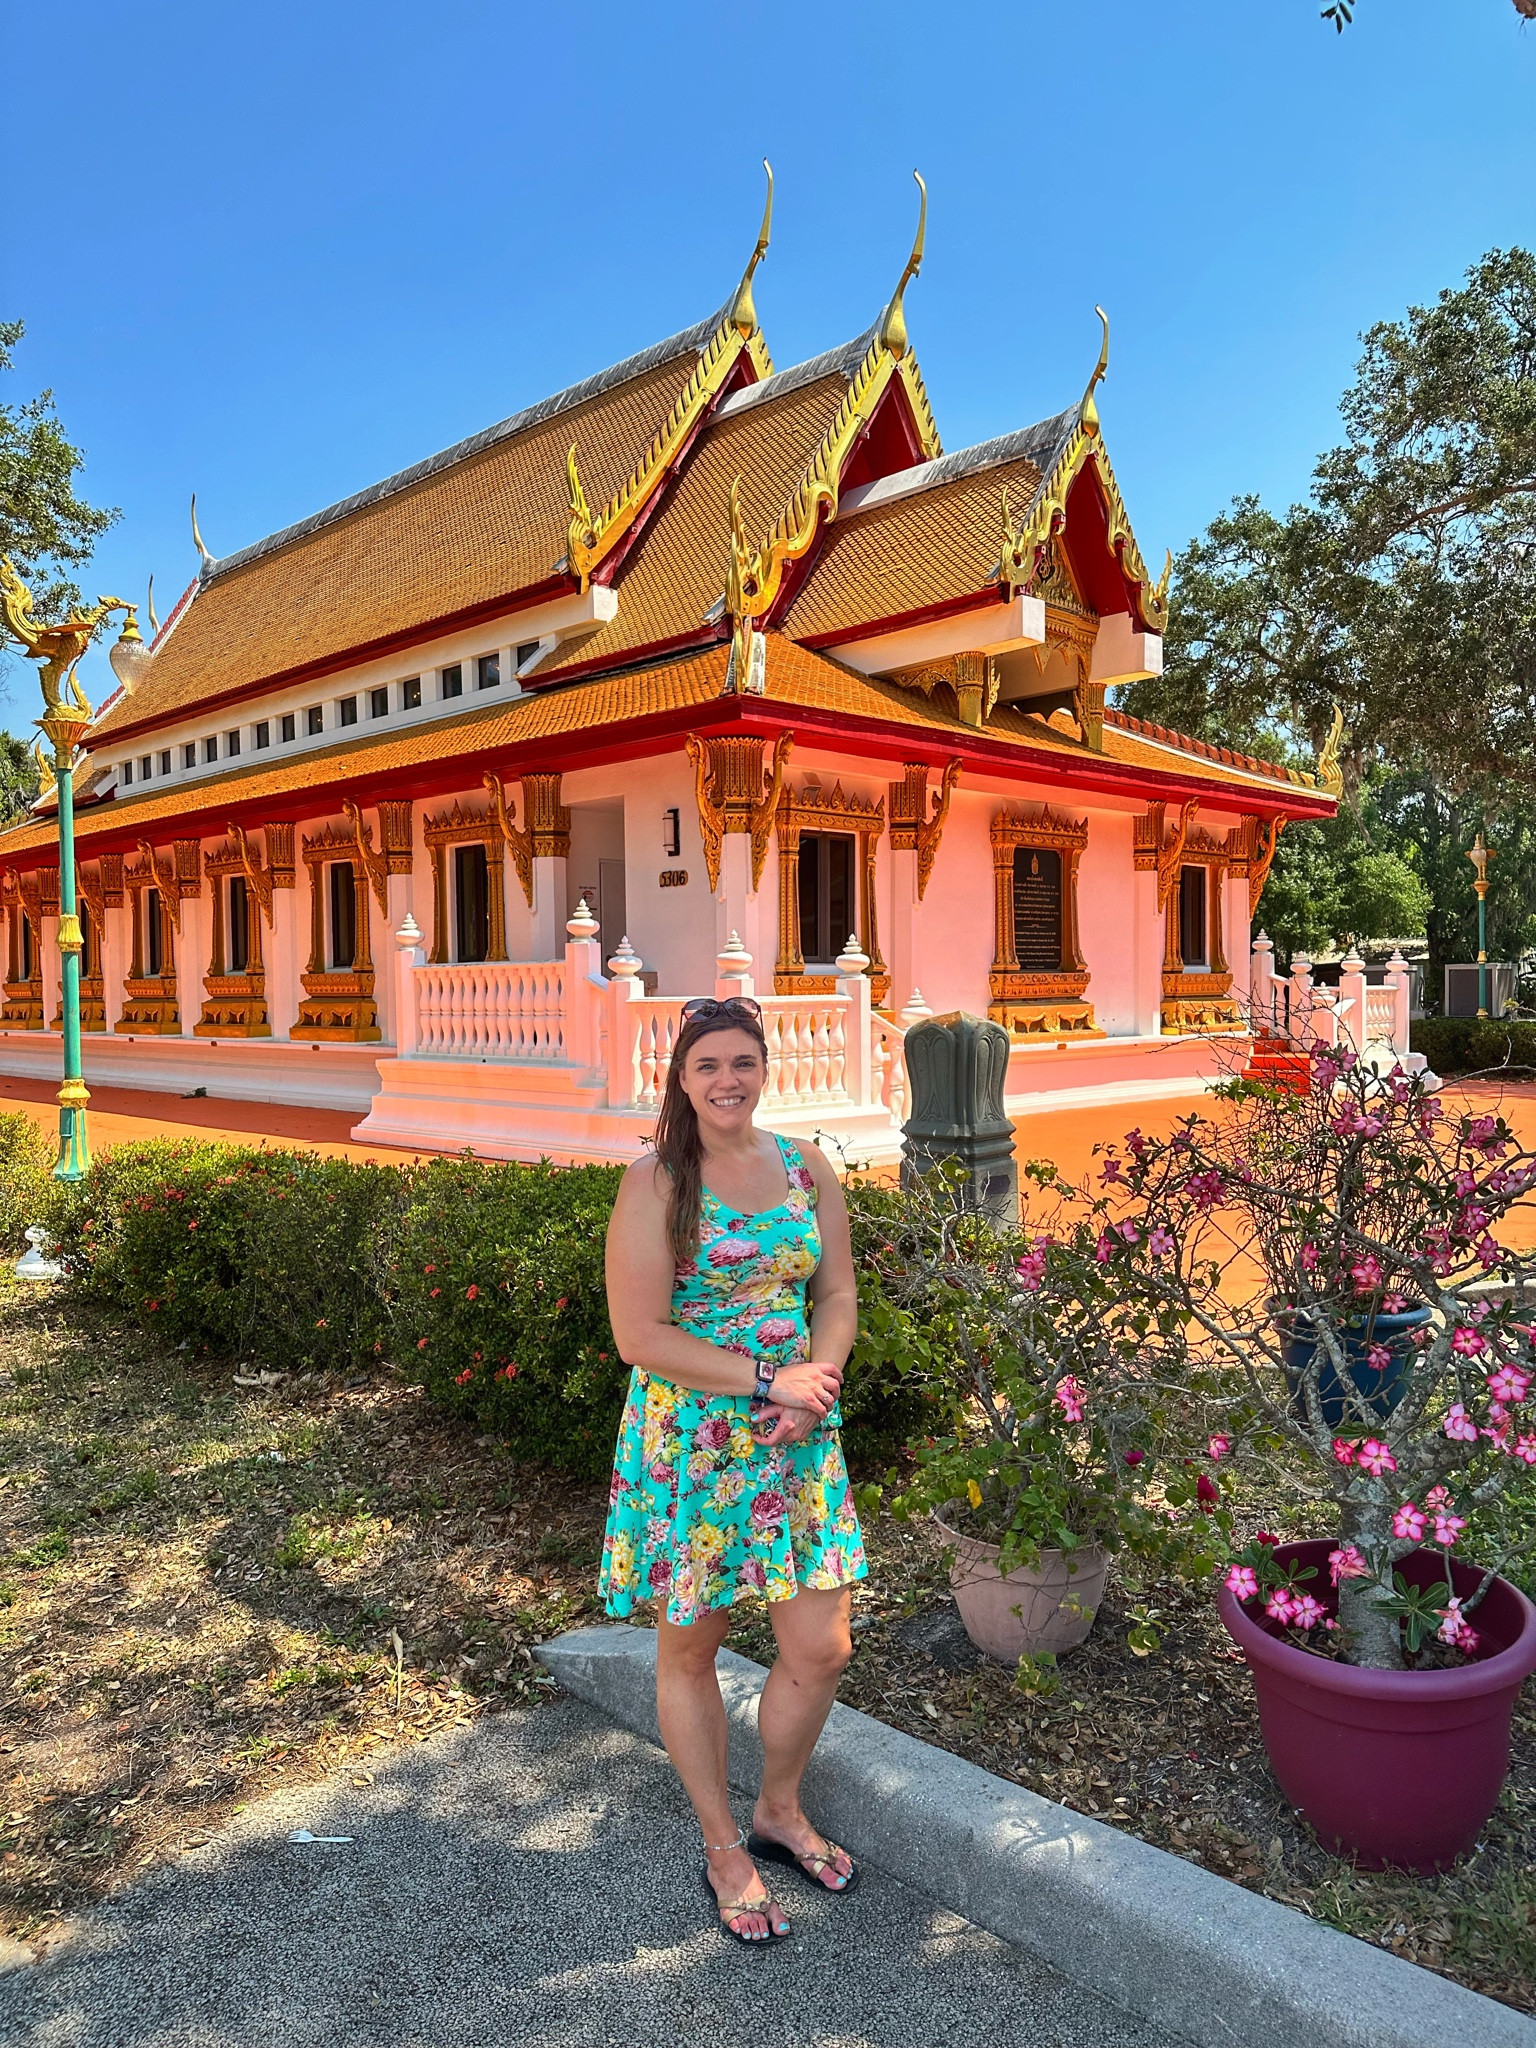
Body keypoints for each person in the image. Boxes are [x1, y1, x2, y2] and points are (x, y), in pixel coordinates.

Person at [600, 995, 867, 1944]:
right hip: (695, 1448)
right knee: (692, 1649)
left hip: (797, 1436)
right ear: (680, 1078)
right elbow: (641, 1336)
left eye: (743, 1063)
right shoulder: (658, 1181)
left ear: (765, 1069)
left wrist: (814, 1387)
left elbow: (834, 1291)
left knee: (819, 1646)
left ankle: (778, 1808)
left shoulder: (805, 1167)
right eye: (708, 1064)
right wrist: (766, 1376)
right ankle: (722, 1840)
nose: (727, 1081)